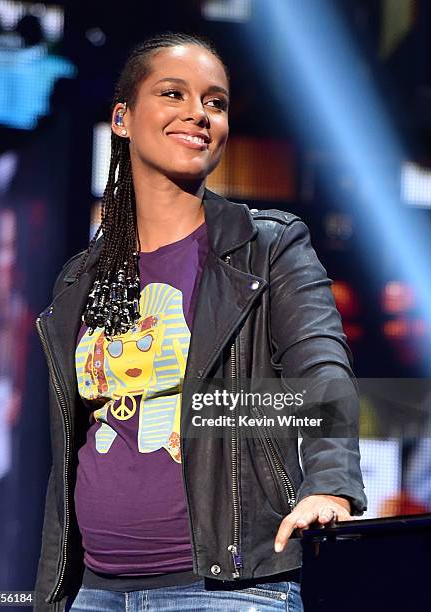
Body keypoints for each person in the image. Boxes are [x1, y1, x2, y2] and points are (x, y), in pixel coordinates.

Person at [33, 32, 367, 612]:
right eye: (173, 93)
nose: (198, 113)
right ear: (121, 117)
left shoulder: (268, 247)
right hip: (92, 591)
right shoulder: (80, 278)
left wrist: (331, 484)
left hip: (227, 590)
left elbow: (322, 369)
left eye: (215, 102)